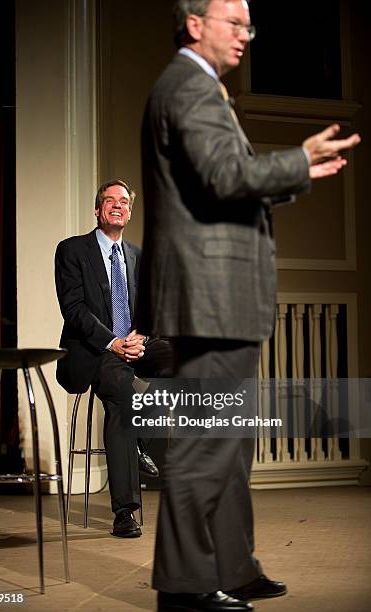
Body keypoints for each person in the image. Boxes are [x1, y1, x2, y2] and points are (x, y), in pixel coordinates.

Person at [137, 0, 361, 610]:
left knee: (231, 445)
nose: (245, 35)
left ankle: (231, 566)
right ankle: (183, 588)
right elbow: (221, 176)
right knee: (204, 443)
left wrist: (295, 170)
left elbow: (224, 176)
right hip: (208, 297)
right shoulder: (189, 86)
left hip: (219, 297)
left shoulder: (202, 88)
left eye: (249, 25)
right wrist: (299, 160)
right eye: (234, 22)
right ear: (194, 23)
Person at [55, 179, 172, 538]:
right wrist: (114, 342)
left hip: (131, 347)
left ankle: (139, 439)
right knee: (122, 394)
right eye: (110, 200)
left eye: (124, 201)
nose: (118, 205)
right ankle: (125, 511)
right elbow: (74, 310)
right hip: (96, 352)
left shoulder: (137, 256)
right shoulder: (73, 250)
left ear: (130, 211)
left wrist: (139, 339)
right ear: (98, 209)